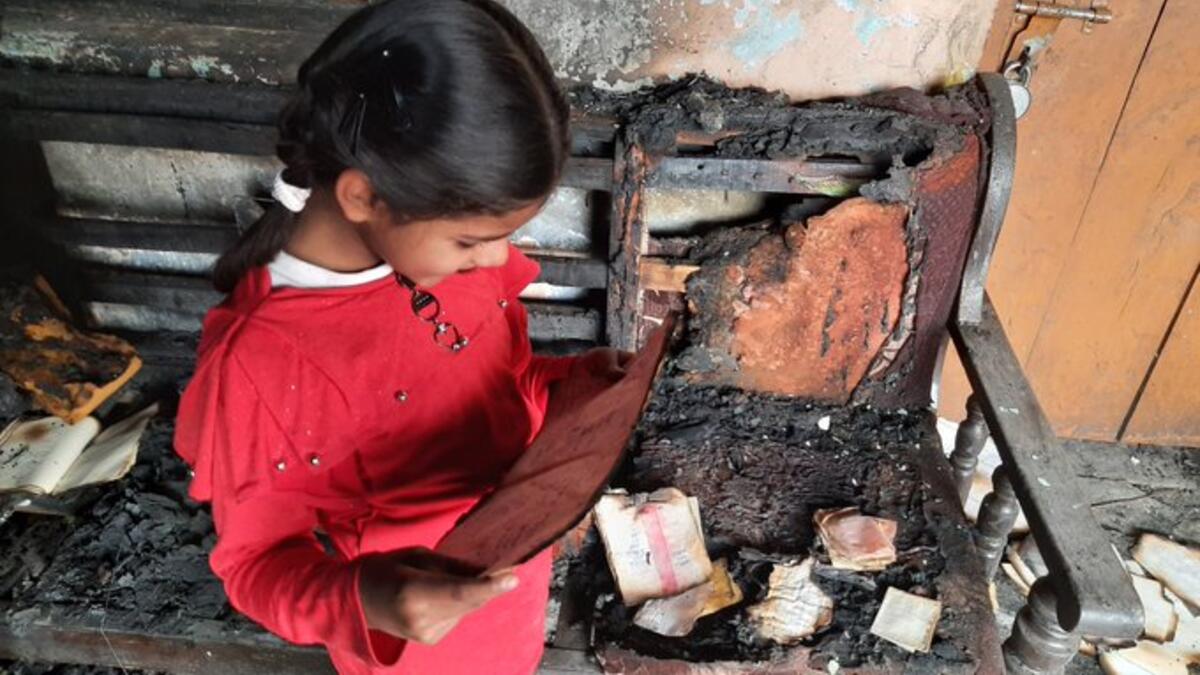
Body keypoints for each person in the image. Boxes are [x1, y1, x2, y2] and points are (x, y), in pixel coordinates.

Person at [174, 2, 627, 672]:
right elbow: (255, 565)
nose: (500, 261)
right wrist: (370, 598)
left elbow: (499, 382)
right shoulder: (263, 365)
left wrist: (576, 383)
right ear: (361, 197)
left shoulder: (445, 262)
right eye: (474, 239)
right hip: (421, 646)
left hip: (513, 590)